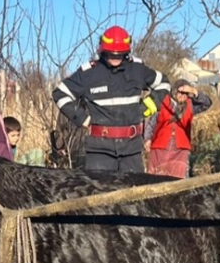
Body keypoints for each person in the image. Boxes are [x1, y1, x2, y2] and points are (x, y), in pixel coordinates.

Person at [52, 25, 170, 172]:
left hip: (131, 151)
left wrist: (146, 108)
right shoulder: (89, 73)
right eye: (112, 54)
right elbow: (60, 93)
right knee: (100, 194)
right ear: (102, 51)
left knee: (136, 194)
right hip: (99, 152)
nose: (115, 58)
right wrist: (83, 119)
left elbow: (164, 83)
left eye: (119, 54)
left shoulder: (137, 70)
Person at [144, 79, 213, 177]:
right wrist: (147, 139)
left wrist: (194, 91)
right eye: (181, 92)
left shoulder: (191, 106)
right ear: (174, 91)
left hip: (180, 150)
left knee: (178, 181)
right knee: (155, 180)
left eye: (186, 93)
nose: (183, 95)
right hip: (160, 148)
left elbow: (207, 103)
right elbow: (151, 123)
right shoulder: (162, 102)